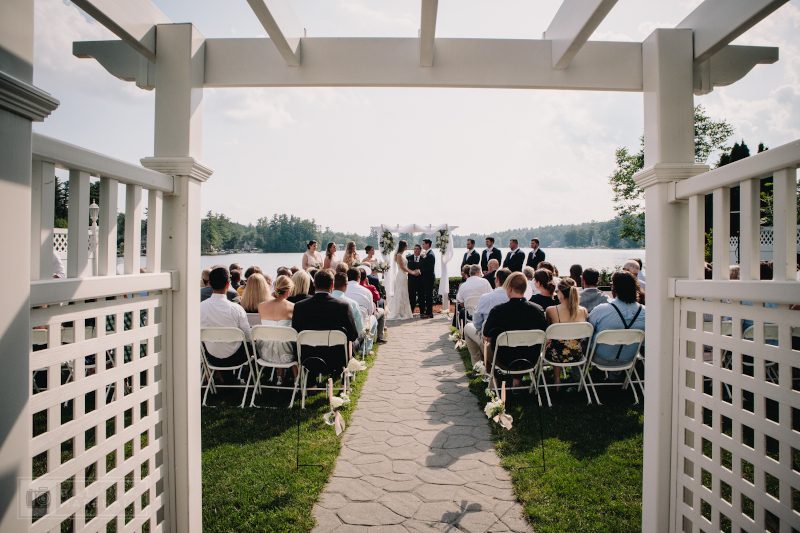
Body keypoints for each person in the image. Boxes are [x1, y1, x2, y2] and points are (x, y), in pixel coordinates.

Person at [292, 269, 359, 378]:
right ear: (332, 285)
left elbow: (295, 332)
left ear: (314, 284)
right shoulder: (343, 306)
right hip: (337, 359)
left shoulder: (299, 306)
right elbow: (353, 335)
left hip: (307, 357)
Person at [482, 272, 548, 379]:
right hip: (531, 358)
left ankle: (492, 380)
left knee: (483, 343)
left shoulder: (497, 311)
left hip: (504, 359)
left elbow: (486, 336)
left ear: (510, 289)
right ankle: (516, 379)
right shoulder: (538, 309)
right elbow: (545, 335)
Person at [588, 271, 645, 365]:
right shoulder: (646, 313)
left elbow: (588, 330)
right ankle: (615, 376)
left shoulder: (601, 310)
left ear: (614, 288)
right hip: (629, 359)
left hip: (600, 358)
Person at [200, 266, 252, 369]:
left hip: (211, 357)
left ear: (209, 283)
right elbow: (248, 336)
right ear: (228, 284)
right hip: (236, 358)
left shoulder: (199, 308)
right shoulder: (237, 309)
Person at [463, 268, 511, 365]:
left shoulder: (487, 297)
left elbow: (477, 323)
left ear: (497, 280)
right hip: (513, 340)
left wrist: (482, 331)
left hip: (490, 340)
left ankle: (478, 364)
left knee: (468, 327)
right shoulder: (516, 297)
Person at [545, 277, 589, 384]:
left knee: (556, 344)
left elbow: (549, 330)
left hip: (556, 355)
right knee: (563, 344)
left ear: (561, 293)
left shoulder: (551, 310)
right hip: (577, 354)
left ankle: (557, 379)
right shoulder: (583, 311)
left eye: (557, 291)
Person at [256, 275, 297, 385]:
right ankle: (297, 379)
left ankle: (279, 377)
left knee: (278, 340)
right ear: (288, 290)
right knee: (291, 342)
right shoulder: (293, 307)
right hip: (288, 355)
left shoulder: (261, 306)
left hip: (265, 353)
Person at [346, 268, 386, 344]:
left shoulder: (343, 290)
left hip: (347, 324)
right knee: (380, 313)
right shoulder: (366, 291)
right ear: (359, 278)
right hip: (363, 323)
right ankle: (378, 338)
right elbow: (371, 312)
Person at [332, 272, 369, 351]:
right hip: (345, 347)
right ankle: (365, 350)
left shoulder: (323, 302)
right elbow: (359, 330)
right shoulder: (352, 304)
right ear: (346, 286)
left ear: (333, 285)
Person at [388, 240, 416, 320]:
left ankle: (403, 311)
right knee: (400, 293)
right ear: (403, 246)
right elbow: (403, 267)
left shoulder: (401, 255)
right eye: (406, 245)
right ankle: (398, 312)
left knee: (404, 293)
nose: (407, 247)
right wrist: (412, 272)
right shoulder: (399, 255)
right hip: (401, 275)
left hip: (403, 276)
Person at [419, 239, 436, 318]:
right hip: (427, 277)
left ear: (428, 244)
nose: (422, 245)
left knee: (428, 296)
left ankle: (429, 313)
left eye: (423, 244)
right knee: (427, 295)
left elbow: (429, 268)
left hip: (429, 278)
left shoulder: (430, 255)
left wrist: (420, 270)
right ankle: (428, 312)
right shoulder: (427, 253)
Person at [407, 244, 423, 314]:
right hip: (411, 281)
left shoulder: (423, 258)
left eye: (418, 249)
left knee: (421, 297)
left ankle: (422, 312)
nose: (416, 250)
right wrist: (413, 272)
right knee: (412, 297)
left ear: (420, 250)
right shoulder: (408, 258)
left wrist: (420, 271)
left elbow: (425, 268)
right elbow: (406, 268)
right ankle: (411, 311)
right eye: (415, 249)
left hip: (420, 280)